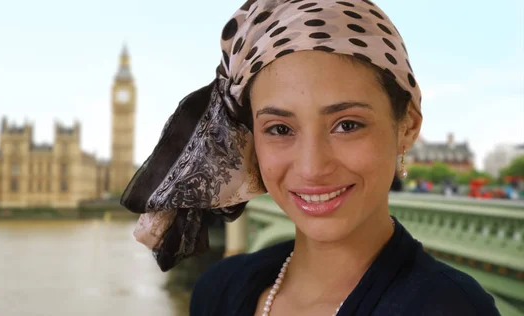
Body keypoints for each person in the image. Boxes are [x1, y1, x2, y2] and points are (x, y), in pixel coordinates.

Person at [120, 0, 500, 315]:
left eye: (347, 125)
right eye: (280, 130)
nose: (312, 167)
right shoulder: (216, 291)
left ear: (407, 127)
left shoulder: (454, 308)